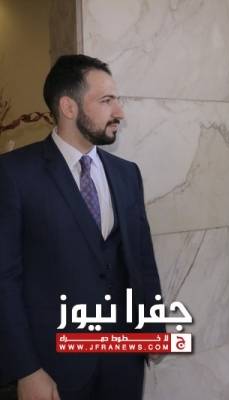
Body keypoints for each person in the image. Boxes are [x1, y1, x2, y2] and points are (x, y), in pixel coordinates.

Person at [0, 54, 163, 400]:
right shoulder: (14, 174)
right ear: (68, 107)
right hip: (54, 367)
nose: (119, 111)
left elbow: (141, 260)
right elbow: (4, 279)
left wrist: (153, 326)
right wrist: (26, 370)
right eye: (106, 100)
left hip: (124, 361)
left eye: (117, 99)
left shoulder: (127, 173)